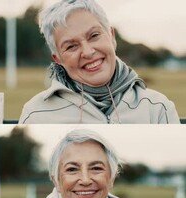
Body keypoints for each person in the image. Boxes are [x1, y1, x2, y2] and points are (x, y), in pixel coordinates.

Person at [19, 0, 179, 124]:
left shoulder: (157, 108)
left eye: (94, 35)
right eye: (71, 46)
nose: (88, 52)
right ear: (58, 59)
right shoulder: (35, 114)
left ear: (111, 36)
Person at [16, 129, 149, 198]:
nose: (85, 180)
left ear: (112, 178)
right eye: (72, 169)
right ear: (56, 180)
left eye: (96, 168)